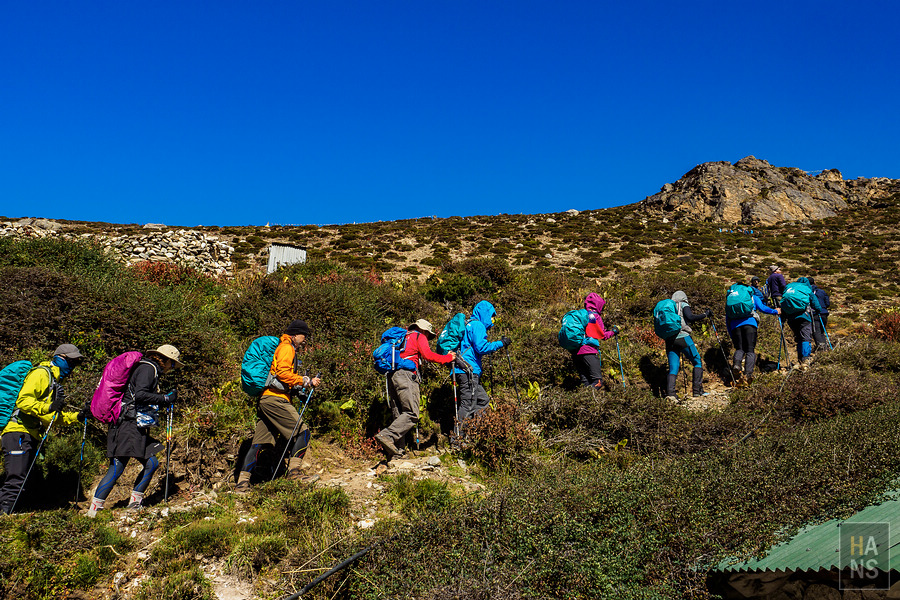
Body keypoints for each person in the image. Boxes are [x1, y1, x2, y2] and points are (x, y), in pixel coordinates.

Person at [87, 345, 182, 516]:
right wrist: (166, 398)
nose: (172, 368)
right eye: (173, 364)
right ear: (166, 360)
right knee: (118, 466)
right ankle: (94, 511)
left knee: (151, 463)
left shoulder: (147, 368)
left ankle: (134, 504)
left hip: (133, 425)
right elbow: (140, 395)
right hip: (128, 425)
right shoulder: (148, 369)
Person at [235, 320, 321, 494]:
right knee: (302, 432)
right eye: (304, 336)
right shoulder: (287, 347)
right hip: (275, 400)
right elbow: (282, 373)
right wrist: (306, 381)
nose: (305, 340)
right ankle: (295, 473)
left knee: (258, 443)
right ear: (296, 334)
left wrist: (296, 389)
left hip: (266, 399)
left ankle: (242, 484)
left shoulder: (283, 347)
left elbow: (281, 377)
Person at [0, 344, 85, 514]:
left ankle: (9, 516)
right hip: (18, 432)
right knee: (16, 479)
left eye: (76, 363)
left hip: (28, 435)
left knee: (24, 480)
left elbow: (48, 418)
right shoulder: (41, 373)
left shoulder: (54, 381)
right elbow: (23, 402)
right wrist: (50, 407)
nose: (73, 367)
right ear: (60, 358)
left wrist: (77, 417)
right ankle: (4, 516)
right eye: (72, 361)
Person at [374, 320, 455, 458]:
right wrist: (447, 358)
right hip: (406, 375)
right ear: (423, 330)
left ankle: (396, 454)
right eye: (428, 335)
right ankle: (387, 435)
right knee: (412, 413)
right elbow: (428, 356)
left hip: (391, 376)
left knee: (399, 414)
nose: (427, 338)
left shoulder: (402, 337)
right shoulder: (418, 336)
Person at [452, 301, 507, 424]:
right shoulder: (477, 325)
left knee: (482, 400)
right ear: (485, 313)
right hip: (468, 370)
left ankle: (475, 432)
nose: (492, 320)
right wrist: (501, 343)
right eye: (491, 316)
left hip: (463, 369)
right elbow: (481, 348)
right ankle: (458, 441)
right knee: (468, 405)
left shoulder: (469, 325)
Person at [726, 283, 781, 386]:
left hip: (735, 326)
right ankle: (748, 375)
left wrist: (731, 332)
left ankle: (737, 365)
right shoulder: (752, 297)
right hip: (750, 324)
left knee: (739, 349)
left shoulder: (731, 300)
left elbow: (727, 318)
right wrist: (775, 311)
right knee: (750, 350)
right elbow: (762, 308)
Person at [664, 291, 712, 401]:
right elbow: (690, 317)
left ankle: (671, 394)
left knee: (673, 367)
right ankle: (697, 391)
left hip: (669, 339)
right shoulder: (683, 304)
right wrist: (705, 315)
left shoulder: (669, 307)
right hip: (682, 336)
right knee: (697, 361)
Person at [565, 293, 618, 389]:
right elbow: (602, 335)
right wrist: (614, 332)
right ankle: (589, 399)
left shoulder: (582, 315)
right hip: (588, 351)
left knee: (586, 383)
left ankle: (585, 401)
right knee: (598, 382)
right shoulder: (594, 316)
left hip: (576, 352)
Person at [782, 277, 822, 368]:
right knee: (806, 338)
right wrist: (818, 310)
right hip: (804, 317)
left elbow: (784, 302)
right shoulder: (807, 288)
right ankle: (805, 359)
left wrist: (783, 319)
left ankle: (799, 359)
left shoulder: (790, 287)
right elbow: (815, 303)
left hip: (791, 318)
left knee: (799, 338)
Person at [808, 277, 831, 351]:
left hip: (814, 313)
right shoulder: (822, 291)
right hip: (824, 313)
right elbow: (827, 303)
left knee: (816, 331)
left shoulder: (807, 292)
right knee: (821, 331)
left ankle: (821, 349)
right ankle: (825, 348)